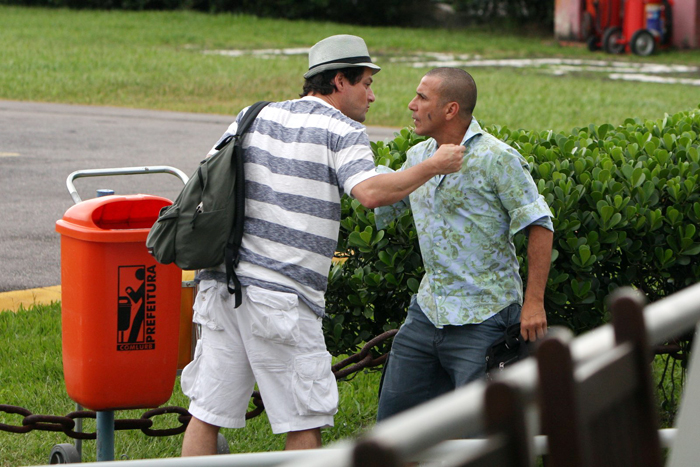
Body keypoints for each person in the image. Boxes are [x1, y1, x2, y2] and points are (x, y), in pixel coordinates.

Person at [180, 36, 466, 456]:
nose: (372, 95)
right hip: (282, 300)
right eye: (365, 83)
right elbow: (368, 193)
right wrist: (433, 165)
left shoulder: (253, 114)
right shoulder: (342, 129)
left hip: (221, 288)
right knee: (305, 420)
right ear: (338, 80)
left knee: (206, 413)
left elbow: (209, 179)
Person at [375, 67, 554, 421]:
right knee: (394, 433)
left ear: (450, 109)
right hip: (427, 314)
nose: (411, 105)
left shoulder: (497, 158)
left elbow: (540, 225)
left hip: (484, 318)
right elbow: (380, 202)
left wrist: (533, 303)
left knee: (478, 439)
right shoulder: (418, 159)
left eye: (422, 98)